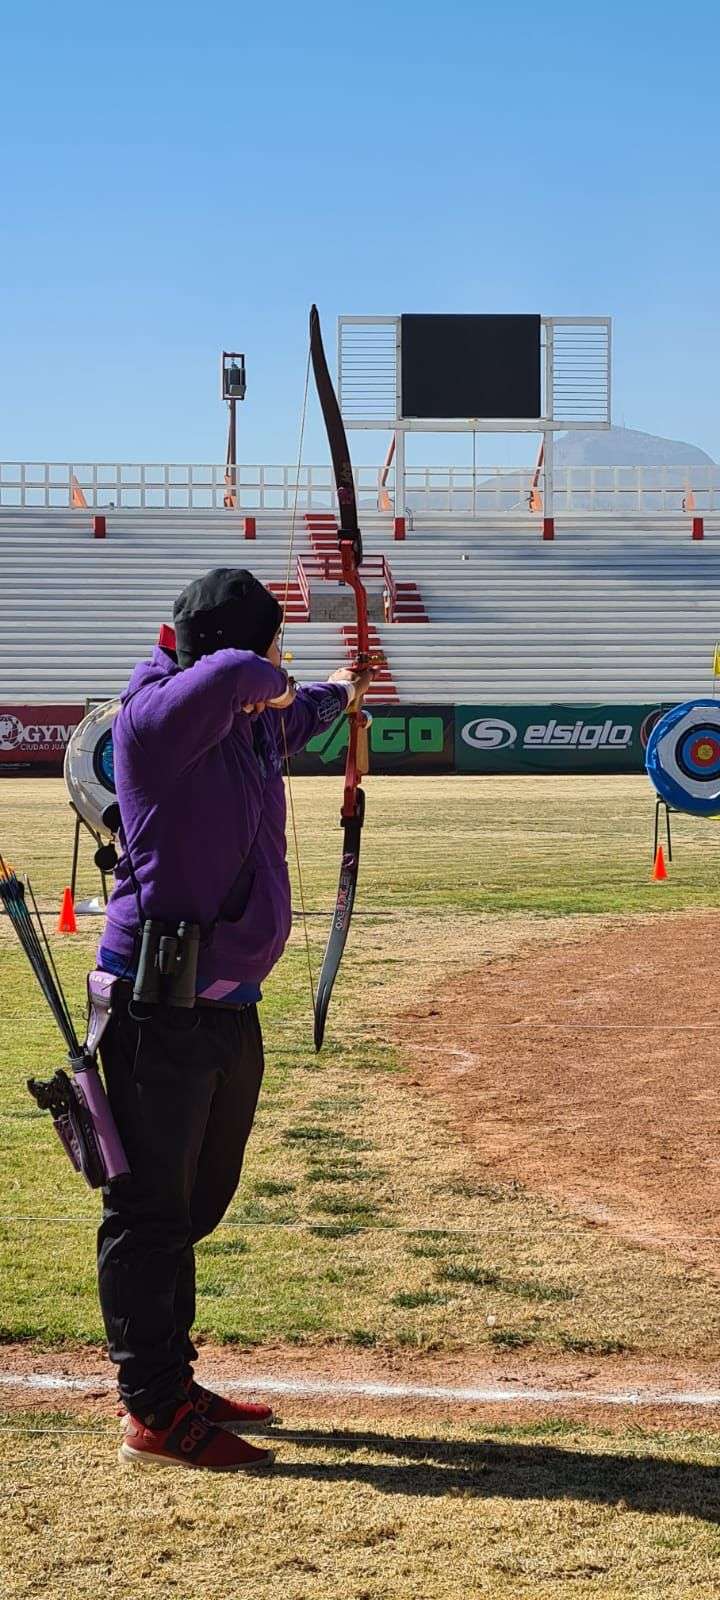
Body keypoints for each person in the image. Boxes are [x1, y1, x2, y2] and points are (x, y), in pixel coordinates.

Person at [96, 567, 372, 1472]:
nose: (276, 670)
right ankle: (153, 1410)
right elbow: (237, 683)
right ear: (237, 649)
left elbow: (286, 710)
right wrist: (285, 675)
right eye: (271, 649)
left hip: (226, 1009)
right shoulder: (154, 719)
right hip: (157, 1009)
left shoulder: (244, 723)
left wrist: (340, 691)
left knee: (193, 1204)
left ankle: (174, 1377)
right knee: (150, 1210)